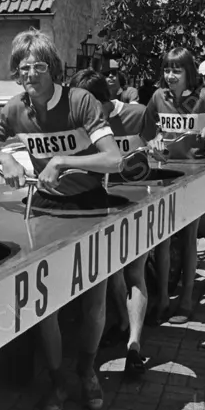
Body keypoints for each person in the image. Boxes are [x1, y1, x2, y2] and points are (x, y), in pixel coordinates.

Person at [0, 32, 126, 407]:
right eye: (23, 67)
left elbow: (113, 160)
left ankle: (87, 370)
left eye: (39, 66)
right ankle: (58, 379)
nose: (30, 74)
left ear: (53, 69)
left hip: (90, 205)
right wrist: (4, 159)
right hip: (45, 208)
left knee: (94, 300)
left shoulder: (80, 101)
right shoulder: (14, 109)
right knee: (47, 302)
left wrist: (62, 161)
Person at [67, 68, 158, 374]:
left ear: (107, 100)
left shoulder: (136, 114)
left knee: (134, 270)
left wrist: (159, 149)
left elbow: (158, 145)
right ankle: (120, 325)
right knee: (110, 272)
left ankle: (134, 344)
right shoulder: (77, 122)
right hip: (103, 205)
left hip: (137, 201)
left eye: (91, 104)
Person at [144, 47, 205, 324]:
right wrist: (153, 143)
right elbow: (146, 135)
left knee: (188, 239)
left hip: (195, 177)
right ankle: (162, 298)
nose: (170, 75)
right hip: (164, 176)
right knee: (161, 242)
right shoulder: (157, 97)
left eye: (177, 70)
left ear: (189, 72)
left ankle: (186, 299)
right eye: (167, 69)